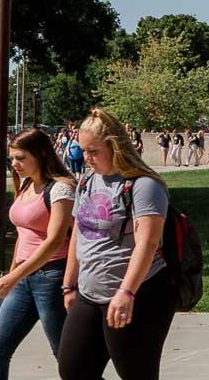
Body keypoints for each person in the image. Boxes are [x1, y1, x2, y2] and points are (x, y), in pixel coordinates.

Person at [58, 109, 176, 380]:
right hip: (89, 293)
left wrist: (126, 293)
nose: (85, 158)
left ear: (115, 146)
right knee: (73, 371)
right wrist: (69, 285)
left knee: (137, 374)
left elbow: (146, 243)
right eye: (82, 150)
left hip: (138, 293)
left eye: (93, 151)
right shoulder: (87, 181)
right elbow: (78, 231)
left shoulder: (144, 185)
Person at [0, 129, 75, 380]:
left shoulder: (61, 188)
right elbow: (23, 234)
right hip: (23, 280)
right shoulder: (25, 184)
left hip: (52, 277)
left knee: (66, 357)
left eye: (21, 158)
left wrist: (14, 276)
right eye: (12, 158)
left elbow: (55, 239)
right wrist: (14, 272)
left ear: (41, 154)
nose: (15, 165)